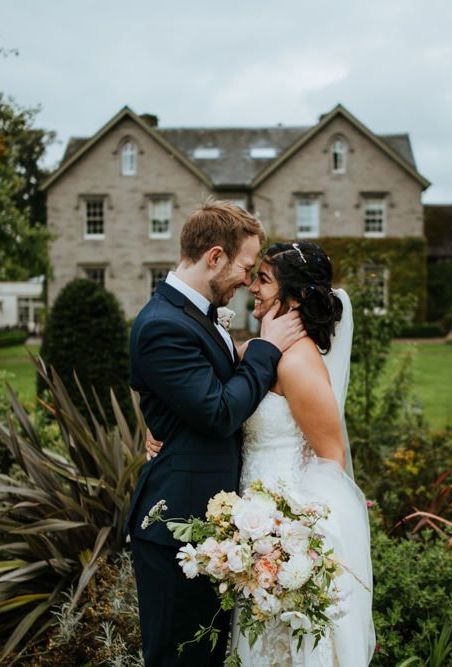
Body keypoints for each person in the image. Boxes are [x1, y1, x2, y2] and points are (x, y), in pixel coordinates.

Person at [147, 240, 376, 666]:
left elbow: (332, 457)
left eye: (264, 280)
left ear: (297, 297)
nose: (252, 286)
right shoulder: (257, 351)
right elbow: (208, 399)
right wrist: (158, 430)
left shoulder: (300, 363)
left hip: (280, 534)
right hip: (246, 524)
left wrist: (290, 536)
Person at [127, 200, 305, 667]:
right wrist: (265, 349)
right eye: (246, 267)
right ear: (215, 257)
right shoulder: (164, 325)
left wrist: (243, 350)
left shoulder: (193, 315)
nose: (248, 281)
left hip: (207, 531)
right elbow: (220, 411)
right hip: (175, 531)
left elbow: (202, 387)